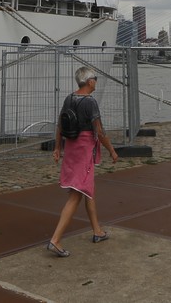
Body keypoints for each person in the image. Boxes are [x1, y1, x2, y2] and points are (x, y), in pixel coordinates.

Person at [46, 67, 119, 257]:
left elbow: (60, 124)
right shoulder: (90, 102)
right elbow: (99, 131)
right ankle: (55, 240)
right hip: (84, 149)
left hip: (71, 148)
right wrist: (112, 150)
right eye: (95, 78)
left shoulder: (69, 98)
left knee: (87, 189)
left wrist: (57, 147)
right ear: (89, 81)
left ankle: (97, 231)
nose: (96, 81)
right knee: (76, 194)